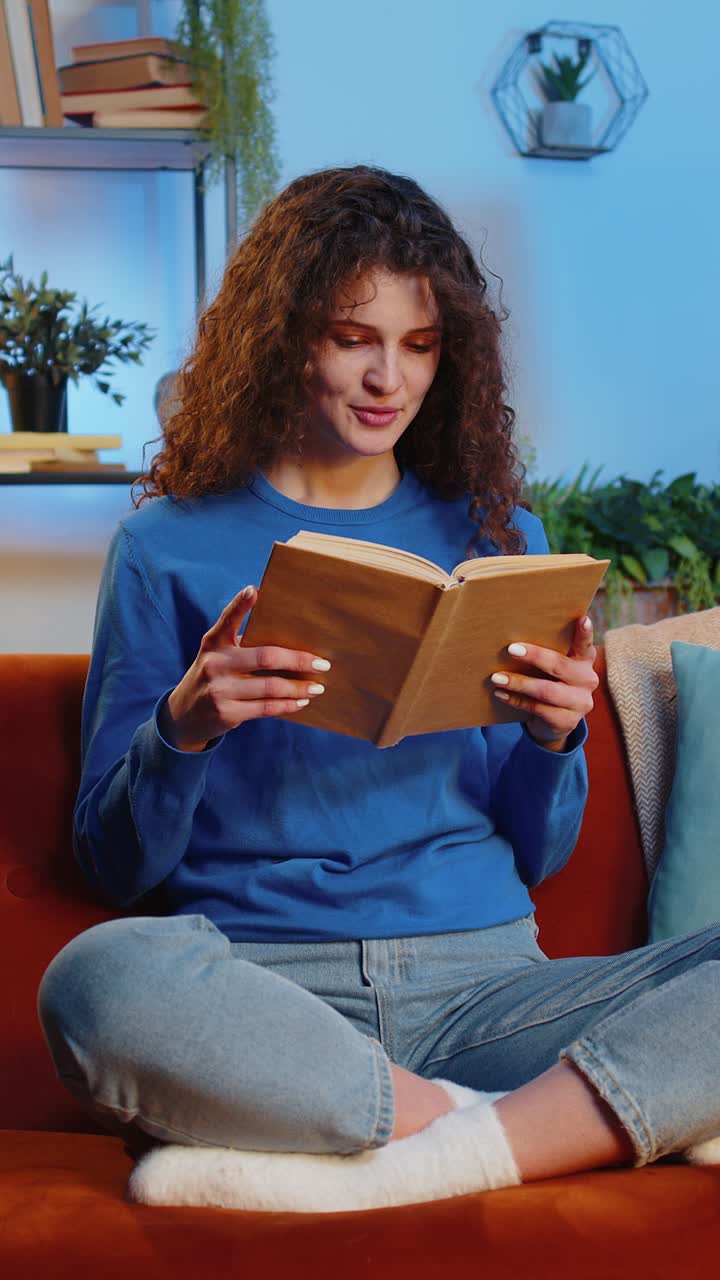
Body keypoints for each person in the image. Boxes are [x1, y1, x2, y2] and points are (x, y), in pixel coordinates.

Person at [38, 165, 719, 1214]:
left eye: (417, 344)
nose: (385, 379)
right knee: (92, 979)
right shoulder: (163, 547)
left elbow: (538, 854)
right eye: (354, 337)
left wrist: (552, 742)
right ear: (286, 336)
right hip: (268, 994)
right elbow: (116, 864)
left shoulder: (498, 539)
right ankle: (491, 1129)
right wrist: (185, 725)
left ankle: (385, 1141)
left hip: (485, 986)